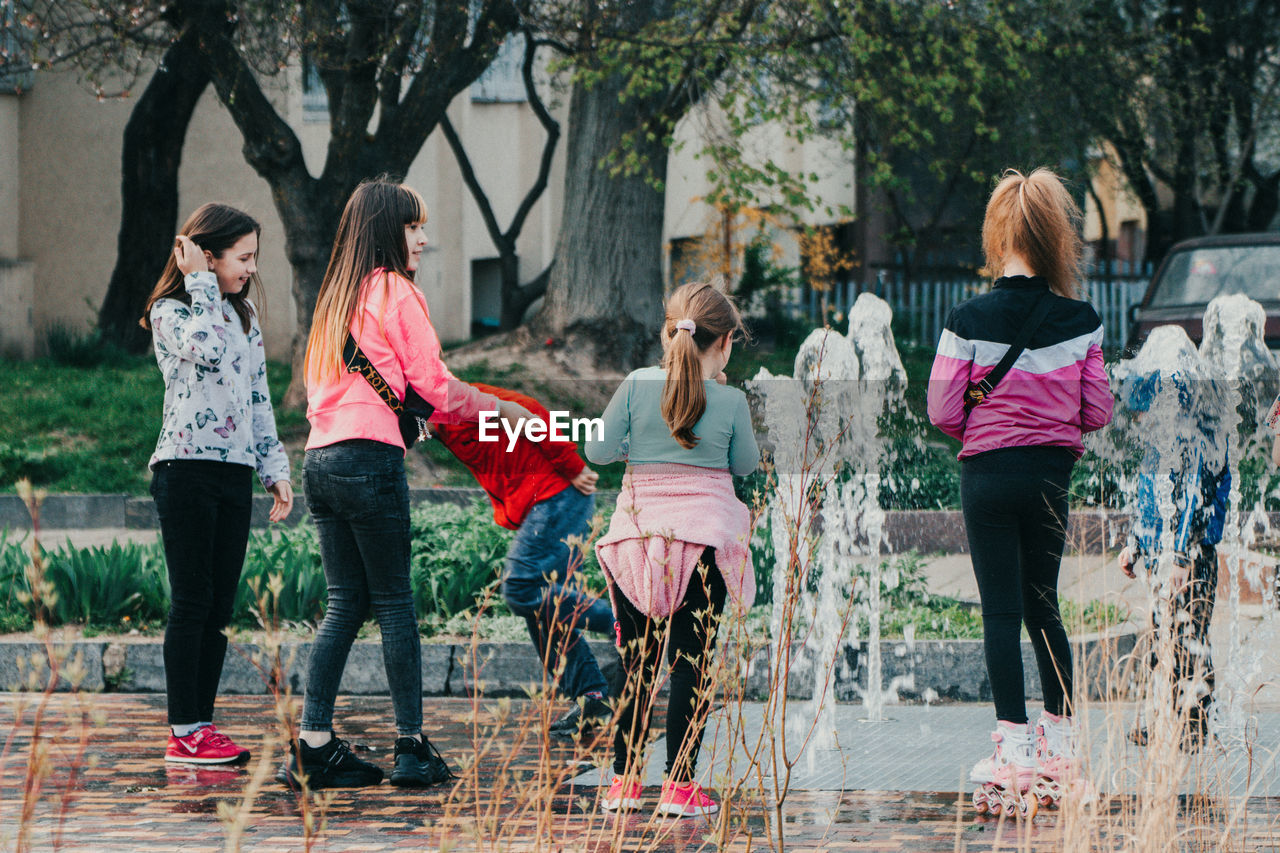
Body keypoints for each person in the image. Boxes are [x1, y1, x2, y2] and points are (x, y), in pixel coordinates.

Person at [276, 178, 531, 790]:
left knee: (345, 601)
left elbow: (326, 393)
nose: (422, 238)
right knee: (392, 601)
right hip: (369, 463)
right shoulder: (394, 289)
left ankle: (313, 743)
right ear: (389, 230)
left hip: (321, 463)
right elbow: (434, 384)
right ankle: (412, 747)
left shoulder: (334, 298)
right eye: (413, 226)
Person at [927, 168, 1113, 814]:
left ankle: (1012, 750)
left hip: (986, 479)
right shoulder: (1081, 319)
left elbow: (942, 408)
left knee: (1000, 614)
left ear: (999, 235)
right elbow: (1098, 410)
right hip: (1048, 480)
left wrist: (989, 417)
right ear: (1055, 237)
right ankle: (1059, 743)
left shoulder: (967, 318)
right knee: (1044, 607)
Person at [587, 280, 759, 819]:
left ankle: (622, 783)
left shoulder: (637, 385)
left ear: (669, 333)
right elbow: (746, 466)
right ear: (726, 341)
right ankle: (680, 789)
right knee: (691, 664)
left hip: (635, 542)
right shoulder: (730, 400)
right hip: (701, 546)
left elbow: (598, 449)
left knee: (636, 664)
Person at [141, 203, 294, 765]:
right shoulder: (171, 311)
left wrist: (274, 468)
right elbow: (203, 350)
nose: (251, 267)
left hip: (233, 475)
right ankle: (184, 730)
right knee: (192, 601)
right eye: (242, 257)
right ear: (207, 257)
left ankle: (201, 725)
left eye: (255, 257)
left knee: (219, 607)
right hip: (184, 471)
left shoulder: (243, 314)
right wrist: (199, 283)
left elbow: (257, 397)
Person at [432, 383, 616, 738]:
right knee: (543, 609)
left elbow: (527, 407)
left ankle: (621, 623)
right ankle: (591, 697)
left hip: (560, 495)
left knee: (519, 588)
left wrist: (572, 466)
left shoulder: (453, 399)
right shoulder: (436, 421)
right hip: (544, 501)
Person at [1116, 326, 1228, 752]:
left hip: (1193, 555)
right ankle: (1162, 719)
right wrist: (1136, 543)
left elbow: (1197, 495)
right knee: (1161, 635)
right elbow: (1149, 497)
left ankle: (1196, 726)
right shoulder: (1158, 439)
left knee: (1190, 637)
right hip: (1165, 553)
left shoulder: (1198, 430)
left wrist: (1181, 555)